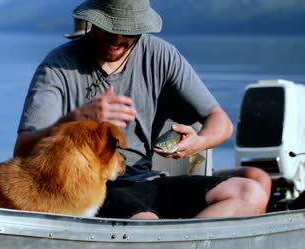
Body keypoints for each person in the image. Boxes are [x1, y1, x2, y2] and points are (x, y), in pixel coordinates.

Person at [14, 0, 271, 219]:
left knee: (251, 193)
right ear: (93, 22)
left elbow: (221, 122)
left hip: (147, 180)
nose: (117, 39)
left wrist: (198, 142)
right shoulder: (57, 67)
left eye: (127, 31)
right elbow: (23, 149)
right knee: (146, 222)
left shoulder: (161, 55)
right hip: (90, 185)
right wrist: (76, 119)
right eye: (108, 28)